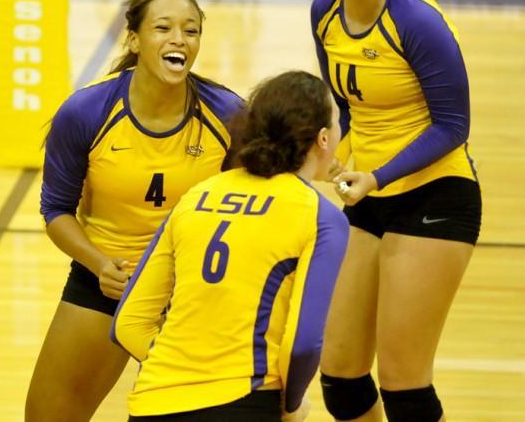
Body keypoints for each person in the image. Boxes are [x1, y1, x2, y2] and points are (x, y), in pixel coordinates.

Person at [25, 0, 245, 421]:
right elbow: (56, 212)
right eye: (163, 28)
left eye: (191, 30)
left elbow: (253, 203)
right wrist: (99, 263)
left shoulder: (230, 115)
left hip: (194, 292)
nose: (179, 39)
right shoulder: (86, 111)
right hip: (108, 280)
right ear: (134, 39)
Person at [310, 0, 482, 422]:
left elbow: (453, 126)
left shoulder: (416, 21)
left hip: (435, 198)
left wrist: (378, 174)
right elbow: (342, 102)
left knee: (404, 385)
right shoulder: (324, 14)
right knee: (340, 378)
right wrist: (329, 156)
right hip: (366, 194)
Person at [111, 70, 349, 421]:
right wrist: (292, 403)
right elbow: (303, 343)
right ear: (324, 138)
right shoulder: (320, 217)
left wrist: (182, 371)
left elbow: (127, 324)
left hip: (153, 402)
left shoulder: (197, 195)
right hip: (245, 400)